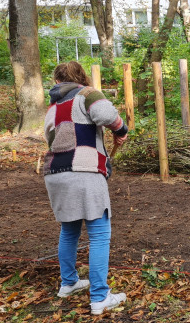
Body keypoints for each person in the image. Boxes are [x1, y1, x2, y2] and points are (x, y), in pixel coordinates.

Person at [42, 61, 128, 315]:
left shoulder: (53, 106)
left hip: (55, 173)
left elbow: (53, 137)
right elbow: (106, 115)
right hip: (83, 170)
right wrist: (120, 129)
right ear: (81, 77)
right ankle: (100, 297)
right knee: (100, 233)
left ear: (57, 80)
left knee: (69, 230)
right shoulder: (87, 93)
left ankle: (69, 283)